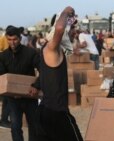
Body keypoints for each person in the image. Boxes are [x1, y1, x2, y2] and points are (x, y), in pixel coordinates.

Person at [35, 6, 83, 141]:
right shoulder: (52, 48)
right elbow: (60, 28)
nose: (75, 32)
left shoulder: (52, 50)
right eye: (72, 28)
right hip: (56, 114)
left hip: (46, 112)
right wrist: (66, 12)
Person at [0, 26, 40, 141]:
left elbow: (43, 71)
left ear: (20, 38)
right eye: (9, 39)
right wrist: (11, 92)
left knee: (34, 127)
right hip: (13, 99)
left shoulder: (30, 53)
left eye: (15, 39)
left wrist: (36, 86)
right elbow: (2, 77)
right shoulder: (3, 56)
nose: (12, 43)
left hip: (30, 96)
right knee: (15, 127)